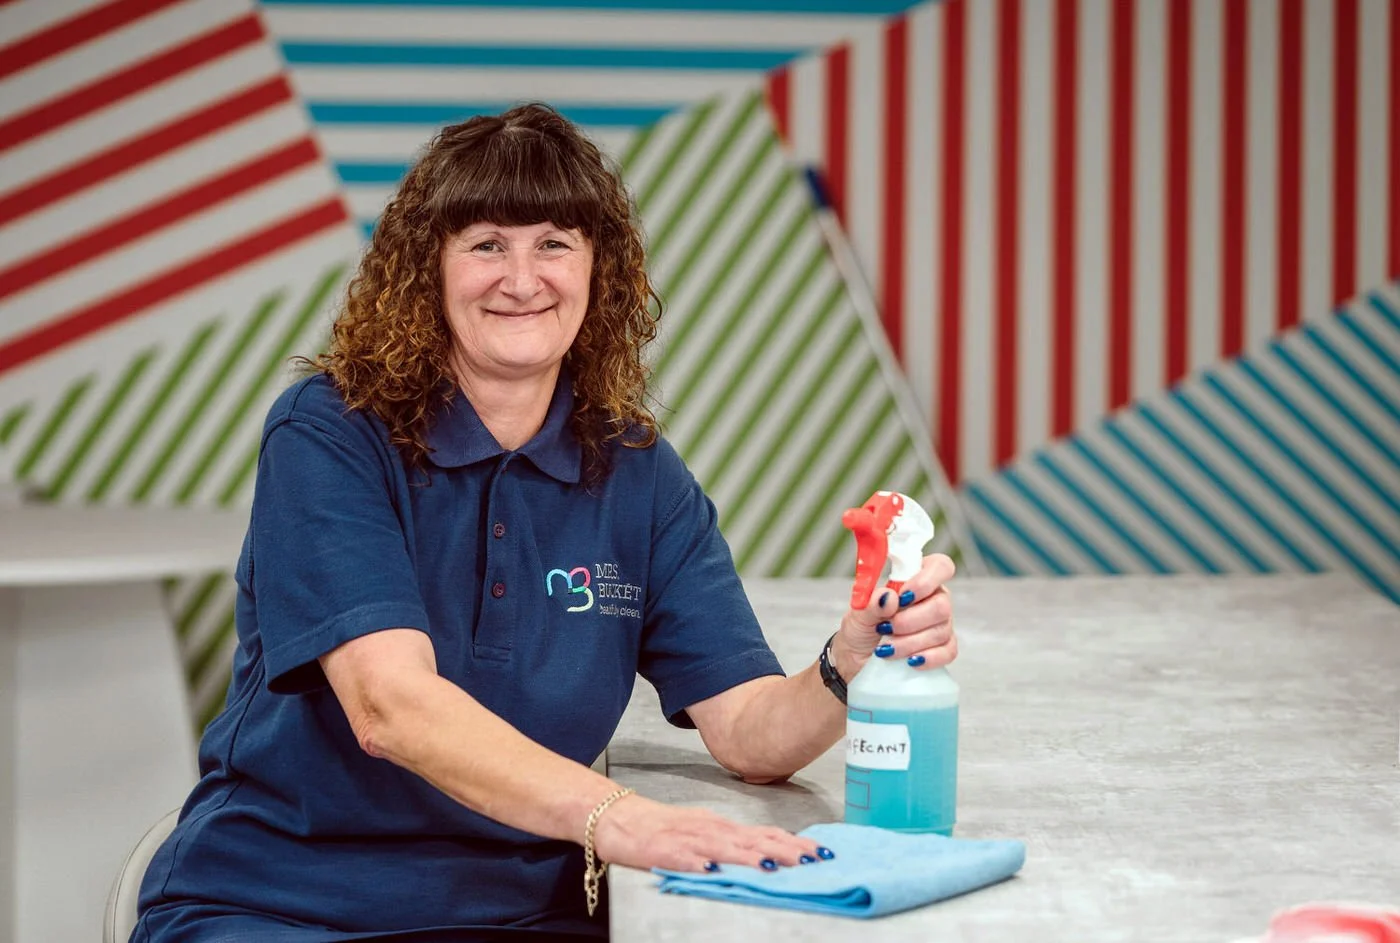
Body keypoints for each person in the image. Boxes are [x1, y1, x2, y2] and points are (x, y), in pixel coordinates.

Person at [132, 103, 958, 942]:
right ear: (429, 269)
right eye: (487, 243)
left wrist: (849, 662)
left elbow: (749, 732)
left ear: (599, 271)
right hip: (285, 905)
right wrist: (618, 816)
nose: (522, 279)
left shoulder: (636, 471)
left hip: (527, 914)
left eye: (554, 244)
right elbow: (392, 706)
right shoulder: (329, 433)